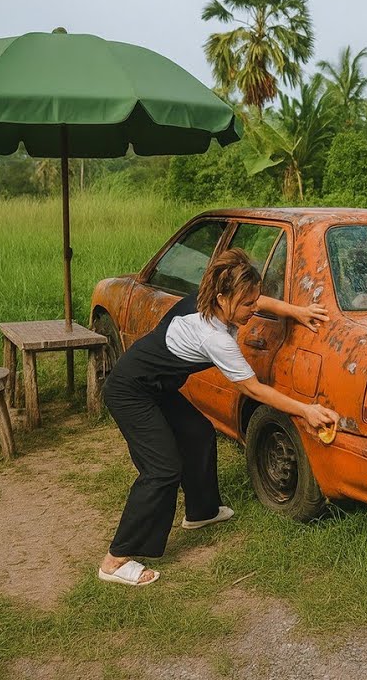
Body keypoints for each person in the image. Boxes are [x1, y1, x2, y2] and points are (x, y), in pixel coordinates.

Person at [98, 248, 339, 586]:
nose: (253, 309)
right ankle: (115, 559)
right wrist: (307, 411)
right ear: (224, 297)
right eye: (246, 304)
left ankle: (202, 512)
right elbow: (254, 390)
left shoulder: (212, 297)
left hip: (157, 386)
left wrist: (296, 311)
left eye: (253, 300)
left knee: (197, 432)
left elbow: (261, 302)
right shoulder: (214, 337)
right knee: (162, 469)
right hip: (130, 391)